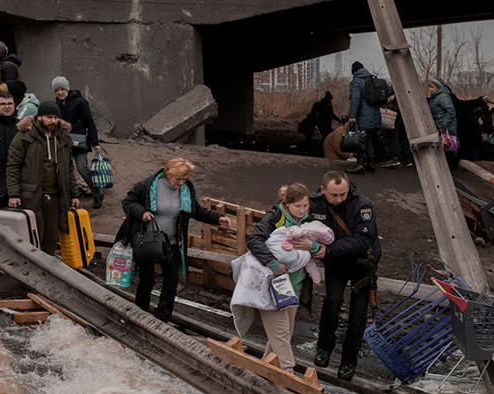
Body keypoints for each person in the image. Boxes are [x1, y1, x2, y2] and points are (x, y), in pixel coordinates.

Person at [117, 158, 230, 321]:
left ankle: (162, 315)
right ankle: (141, 311)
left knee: (171, 280)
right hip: (147, 241)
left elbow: (196, 210)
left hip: (171, 242)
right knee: (146, 279)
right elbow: (128, 202)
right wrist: (141, 212)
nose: (181, 183)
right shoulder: (148, 185)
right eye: (178, 179)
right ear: (168, 174)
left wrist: (218, 218)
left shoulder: (185, 189)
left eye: (184, 179)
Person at [241, 183, 321, 373]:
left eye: (305, 206)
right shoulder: (276, 216)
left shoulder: (307, 220)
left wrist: (314, 246)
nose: (302, 210)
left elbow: (318, 243)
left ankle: (264, 369)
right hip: (272, 284)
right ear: (287, 204)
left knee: (283, 333)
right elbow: (254, 239)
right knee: (281, 333)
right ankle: (288, 371)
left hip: (295, 284)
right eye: (297, 206)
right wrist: (273, 263)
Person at [311, 170, 381, 380]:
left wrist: (328, 249)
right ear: (324, 190)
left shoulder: (363, 205)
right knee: (332, 302)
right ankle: (323, 348)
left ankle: (349, 360)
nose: (339, 199)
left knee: (358, 314)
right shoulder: (316, 204)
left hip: (361, 264)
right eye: (334, 195)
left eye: (343, 194)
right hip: (336, 263)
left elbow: (363, 240)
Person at [6, 100, 80, 255]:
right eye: (49, 117)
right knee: (32, 236)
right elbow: (13, 166)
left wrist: (74, 194)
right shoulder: (24, 137)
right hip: (32, 195)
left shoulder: (63, 138)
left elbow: (69, 168)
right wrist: (13, 194)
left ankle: (47, 272)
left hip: (56, 197)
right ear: (39, 117)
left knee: (51, 238)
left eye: (55, 117)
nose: (53, 121)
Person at [53, 76, 104, 209]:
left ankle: (97, 192)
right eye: (57, 90)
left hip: (79, 141)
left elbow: (90, 123)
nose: (60, 92)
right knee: (64, 170)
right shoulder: (56, 104)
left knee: (82, 168)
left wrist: (95, 143)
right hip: (63, 141)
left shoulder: (80, 102)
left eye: (62, 89)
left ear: (67, 89)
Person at [346, 61, 382, 175]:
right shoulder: (371, 79)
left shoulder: (357, 81)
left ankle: (360, 164)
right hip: (375, 116)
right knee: (369, 139)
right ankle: (371, 163)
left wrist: (352, 116)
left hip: (363, 116)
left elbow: (355, 99)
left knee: (360, 140)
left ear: (354, 71)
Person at [427, 76, 459, 170]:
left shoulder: (442, 96)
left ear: (438, 87)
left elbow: (451, 111)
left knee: (447, 148)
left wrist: (444, 124)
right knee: (445, 148)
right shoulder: (435, 97)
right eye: (430, 87)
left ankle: (447, 170)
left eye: (432, 87)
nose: (430, 89)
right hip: (441, 126)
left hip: (446, 127)